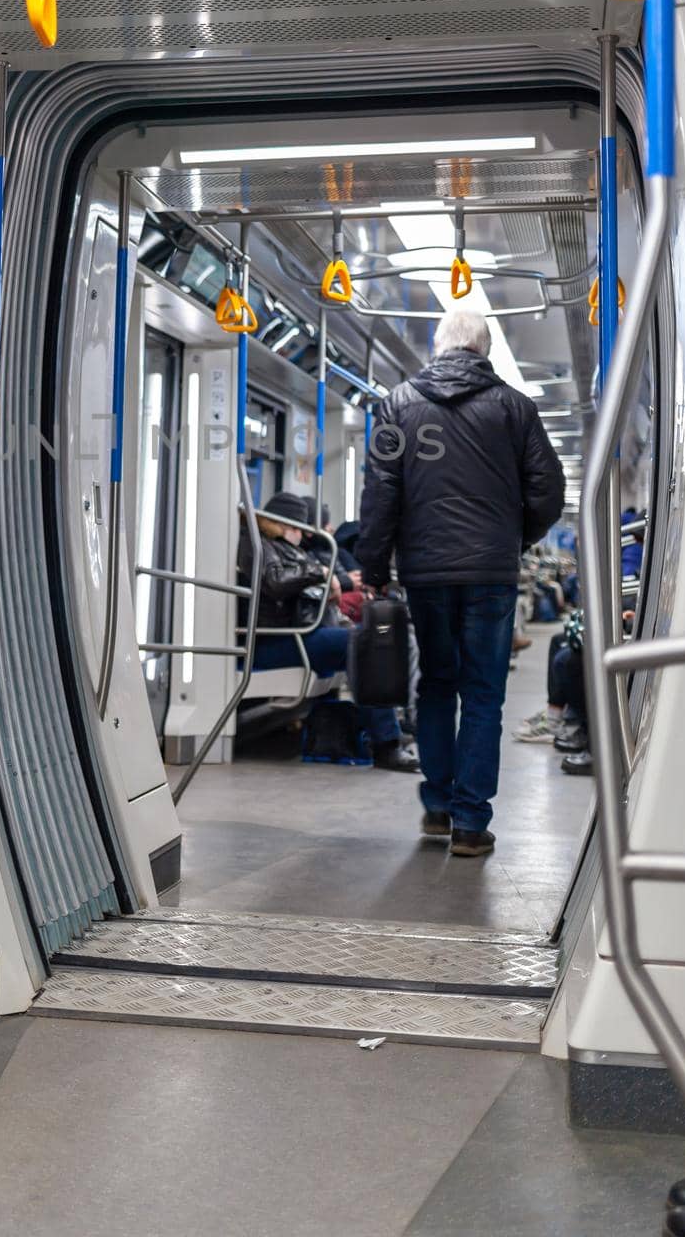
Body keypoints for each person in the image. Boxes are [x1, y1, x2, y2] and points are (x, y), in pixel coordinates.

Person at [355, 310, 565, 855]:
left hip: (425, 572)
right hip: (491, 573)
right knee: (483, 695)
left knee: (436, 685)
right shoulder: (516, 409)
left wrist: (375, 568)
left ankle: (438, 806)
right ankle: (471, 825)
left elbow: (381, 495)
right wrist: (514, 539)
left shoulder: (398, 404)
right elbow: (547, 491)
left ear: (438, 346)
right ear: (485, 350)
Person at [238, 491, 418, 771]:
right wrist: (322, 574)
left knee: (371, 637)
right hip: (276, 640)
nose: (303, 534)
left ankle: (381, 730)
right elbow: (274, 581)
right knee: (366, 641)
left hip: (298, 632)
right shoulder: (257, 544)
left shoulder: (285, 548)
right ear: (287, 525)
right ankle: (386, 743)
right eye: (299, 527)